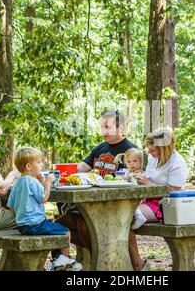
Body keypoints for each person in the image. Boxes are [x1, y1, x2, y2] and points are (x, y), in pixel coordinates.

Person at [52, 109, 137, 261]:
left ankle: (104, 261)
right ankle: (62, 262)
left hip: (115, 206)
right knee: (57, 226)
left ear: (120, 128)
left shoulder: (130, 150)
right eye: (102, 127)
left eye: (107, 127)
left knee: (86, 226)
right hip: (91, 205)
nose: (103, 131)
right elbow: (80, 168)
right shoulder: (100, 148)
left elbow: (134, 179)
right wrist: (58, 174)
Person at [7, 147, 82, 271]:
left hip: (22, 226)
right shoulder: (32, 182)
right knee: (65, 232)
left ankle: (59, 260)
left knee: (54, 228)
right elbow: (43, 199)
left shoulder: (17, 183)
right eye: (39, 162)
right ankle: (63, 260)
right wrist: (47, 183)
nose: (42, 164)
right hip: (36, 225)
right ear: (28, 166)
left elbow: (11, 207)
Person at [129, 127, 189, 270]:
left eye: (153, 150)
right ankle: (131, 262)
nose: (149, 152)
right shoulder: (152, 158)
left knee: (125, 218)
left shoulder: (177, 163)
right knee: (119, 215)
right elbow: (149, 178)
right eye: (149, 149)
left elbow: (172, 192)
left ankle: (138, 264)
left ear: (165, 149)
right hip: (148, 198)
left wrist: (148, 184)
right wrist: (139, 177)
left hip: (166, 204)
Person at [114, 148, 147, 230]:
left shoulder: (140, 173)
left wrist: (128, 177)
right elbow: (122, 179)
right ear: (125, 163)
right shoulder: (126, 172)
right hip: (128, 195)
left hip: (139, 197)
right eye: (129, 162)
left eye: (135, 161)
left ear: (141, 162)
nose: (132, 164)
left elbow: (135, 179)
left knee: (131, 205)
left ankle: (139, 216)